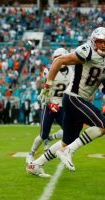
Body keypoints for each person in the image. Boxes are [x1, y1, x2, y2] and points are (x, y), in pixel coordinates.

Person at [26, 27, 105, 177]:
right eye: (100, 42)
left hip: (78, 100)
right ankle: (69, 151)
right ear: (94, 42)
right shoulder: (87, 51)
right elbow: (59, 60)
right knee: (102, 125)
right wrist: (48, 85)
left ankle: (35, 164)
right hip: (74, 97)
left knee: (67, 140)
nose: (103, 45)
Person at [26, 48, 73, 164]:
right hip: (50, 105)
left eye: (60, 58)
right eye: (56, 58)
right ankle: (30, 154)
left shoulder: (71, 72)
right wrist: (49, 103)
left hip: (63, 106)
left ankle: (52, 140)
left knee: (70, 131)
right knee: (43, 135)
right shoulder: (49, 70)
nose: (58, 61)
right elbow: (45, 91)